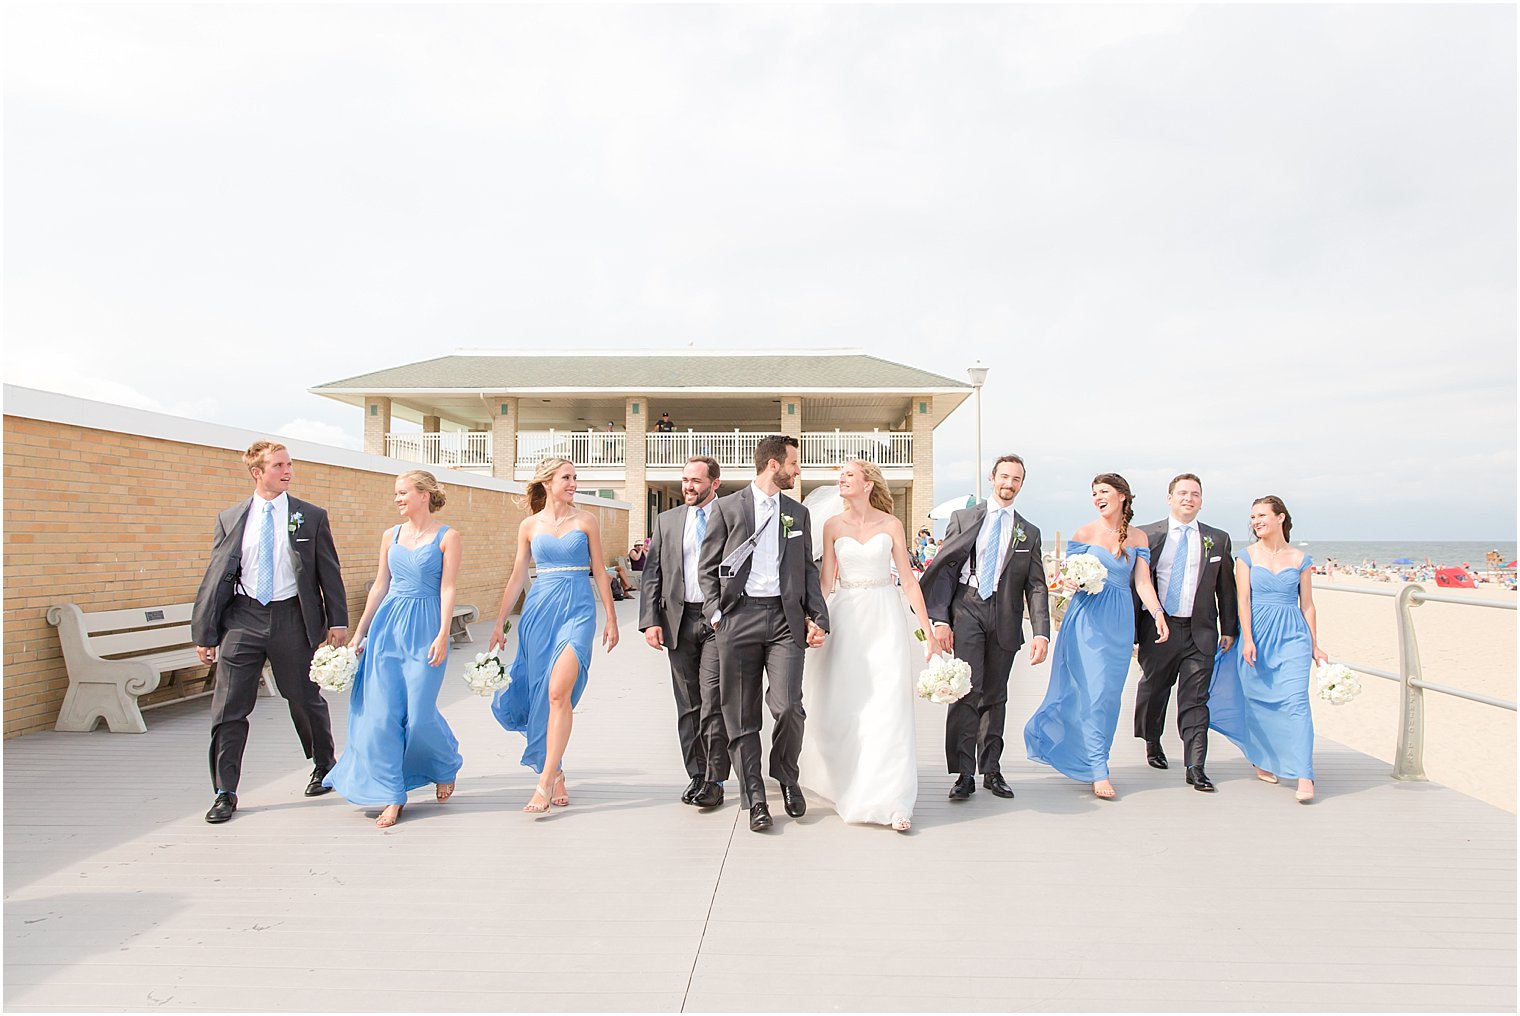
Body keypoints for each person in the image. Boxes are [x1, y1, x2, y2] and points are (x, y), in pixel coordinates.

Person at [191, 441, 347, 824]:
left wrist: (337, 620)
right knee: (229, 708)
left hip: (292, 617)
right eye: (278, 465)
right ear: (257, 472)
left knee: (303, 698)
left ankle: (324, 765)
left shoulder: (310, 516)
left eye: (289, 464)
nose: (287, 471)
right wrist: (205, 633)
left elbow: (329, 570)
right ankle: (224, 791)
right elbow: (215, 577)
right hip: (242, 619)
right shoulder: (230, 518)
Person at [699, 434, 830, 833]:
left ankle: (786, 776)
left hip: (784, 619)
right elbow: (707, 568)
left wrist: (818, 617)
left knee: (789, 705)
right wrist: (716, 613)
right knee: (740, 714)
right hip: (738, 619)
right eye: (794, 464)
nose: (798, 470)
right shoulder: (727, 508)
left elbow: (807, 569)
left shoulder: (797, 513)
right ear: (774, 464)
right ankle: (755, 796)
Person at [798, 460, 934, 832]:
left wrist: (928, 632)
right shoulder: (831, 525)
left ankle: (894, 800)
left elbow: (908, 580)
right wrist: (815, 621)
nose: (841, 479)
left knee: (888, 705)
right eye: (840, 476)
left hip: (885, 617)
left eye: (849, 475)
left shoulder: (891, 525)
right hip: (845, 618)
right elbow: (826, 581)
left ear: (868, 483)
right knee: (844, 704)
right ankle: (848, 782)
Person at [322, 471, 463, 828]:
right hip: (387, 629)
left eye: (403, 493)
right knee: (382, 715)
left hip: (426, 626)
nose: (397, 499)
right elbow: (380, 586)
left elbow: (448, 589)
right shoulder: (391, 535)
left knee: (419, 713)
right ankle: (392, 794)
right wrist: (359, 634)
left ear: (424, 495)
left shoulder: (448, 537)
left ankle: (444, 764)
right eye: (396, 493)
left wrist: (444, 631)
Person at [488, 457, 620, 812]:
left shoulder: (586, 520)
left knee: (559, 690)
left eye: (575, 477)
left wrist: (611, 617)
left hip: (577, 611)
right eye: (567, 477)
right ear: (547, 482)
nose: (573, 483)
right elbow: (518, 576)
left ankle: (544, 781)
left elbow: (599, 570)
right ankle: (557, 769)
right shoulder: (529, 526)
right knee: (541, 693)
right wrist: (500, 623)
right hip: (539, 612)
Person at [1025, 473, 1168, 799]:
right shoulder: (1084, 533)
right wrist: (1070, 581)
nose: (1097, 497)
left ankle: (1094, 758)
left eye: (1103, 491)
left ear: (1122, 496)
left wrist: (1158, 614)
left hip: (1118, 622)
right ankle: (1098, 768)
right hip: (1086, 619)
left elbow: (1143, 583)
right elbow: (1065, 579)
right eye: (1094, 493)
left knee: (1107, 695)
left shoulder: (1139, 538)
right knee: (1089, 691)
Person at [919, 454, 1051, 802]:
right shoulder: (964, 518)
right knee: (966, 689)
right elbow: (946, 567)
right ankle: (963, 773)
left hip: (1005, 615)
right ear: (992, 478)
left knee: (996, 694)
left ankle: (992, 768)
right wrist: (942, 620)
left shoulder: (1030, 532)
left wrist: (1040, 631)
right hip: (967, 606)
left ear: (1022, 484)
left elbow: (1036, 586)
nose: (1009, 484)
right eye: (1004, 477)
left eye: (1016, 479)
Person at [1209, 496, 1328, 804]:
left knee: (1297, 702)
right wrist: (1246, 639)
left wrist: (1314, 644)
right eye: (1252, 517)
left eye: (1262, 515)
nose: (1256, 521)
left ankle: (1304, 773)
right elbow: (1243, 602)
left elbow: (1309, 605)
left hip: (1292, 635)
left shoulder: (1300, 558)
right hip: (1258, 634)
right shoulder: (1246, 557)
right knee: (1257, 701)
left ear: (1280, 517)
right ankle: (1261, 758)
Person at [1131, 473, 1238, 792]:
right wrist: (1134, 631)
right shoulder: (1147, 535)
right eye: (1182, 493)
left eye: (1195, 494)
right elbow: (1135, 583)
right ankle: (1152, 739)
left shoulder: (1217, 539)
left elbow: (1226, 588)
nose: (1188, 498)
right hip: (1159, 628)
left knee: (1195, 699)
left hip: (1200, 630)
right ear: (1169, 498)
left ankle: (1195, 765)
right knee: (1155, 688)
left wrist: (1229, 628)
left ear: (1201, 500)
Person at [638, 456, 730, 808]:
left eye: (695, 480)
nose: (688, 486)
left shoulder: (731, 516)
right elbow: (653, 574)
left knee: (712, 700)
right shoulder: (667, 521)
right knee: (687, 704)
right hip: (678, 619)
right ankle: (697, 773)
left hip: (717, 621)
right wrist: (650, 621)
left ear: (714, 483)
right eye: (685, 480)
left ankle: (716, 779)